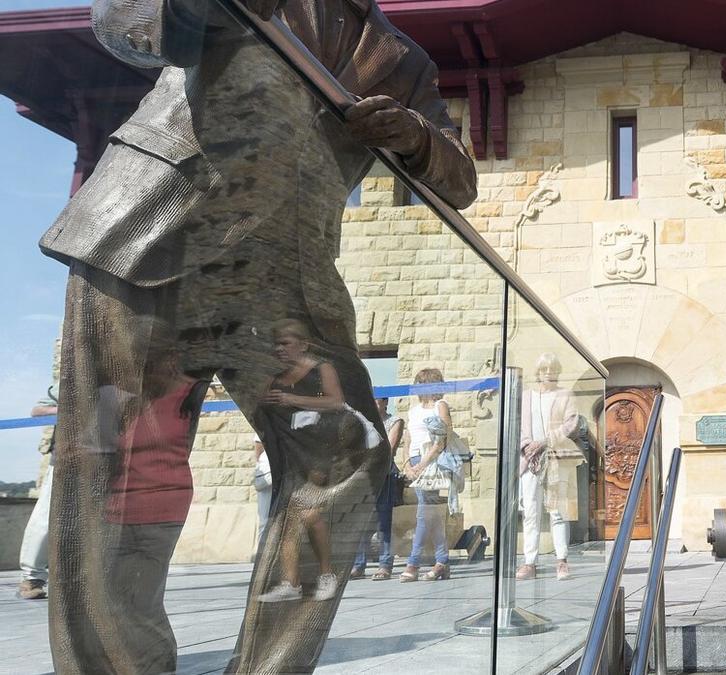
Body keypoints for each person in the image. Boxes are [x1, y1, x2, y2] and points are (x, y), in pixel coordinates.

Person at [37, 0, 476, 670]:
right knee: (114, 463)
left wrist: (413, 134)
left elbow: (461, 177)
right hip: (150, 219)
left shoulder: (403, 59)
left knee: (344, 453)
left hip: (280, 269)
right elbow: (124, 19)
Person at [103, 338, 207, 674]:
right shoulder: (121, 395)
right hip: (129, 506)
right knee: (121, 598)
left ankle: (158, 666)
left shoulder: (183, 391)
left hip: (157, 507)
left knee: (141, 599)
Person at [256, 320, 351, 603]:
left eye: (285, 343)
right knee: (289, 517)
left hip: (318, 451)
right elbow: (261, 403)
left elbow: (335, 402)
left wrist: (291, 398)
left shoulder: (321, 369)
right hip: (289, 453)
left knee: (306, 511)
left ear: (303, 344)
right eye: (277, 343)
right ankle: (290, 582)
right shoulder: (276, 375)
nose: (279, 349)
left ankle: (325, 575)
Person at [517, 353, 584, 581]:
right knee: (530, 512)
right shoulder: (526, 396)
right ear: (538, 372)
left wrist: (545, 441)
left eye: (553, 368)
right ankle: (529, 563)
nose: (548, 373)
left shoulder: (565, 394)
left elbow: (571, 423)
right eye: (544, 369)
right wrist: (527, 445)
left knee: (557, 511)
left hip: (555, 456)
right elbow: (519, 425)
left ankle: (561, 561)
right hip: (530, 459)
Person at [400, 368, 453, 582]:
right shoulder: (413, 410)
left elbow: (442, 438)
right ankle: (442, 561)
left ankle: (413, 562)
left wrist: (422, 464)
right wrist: (407, 465)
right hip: (414, 461)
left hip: (431, 460)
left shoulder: (440, 406)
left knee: (424, 512)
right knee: (430, 514)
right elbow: (407, 439)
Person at [350, 398, 403, 580]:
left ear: (385, 403)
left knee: (383, 521)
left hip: (384, 475)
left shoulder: (394, 421)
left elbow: (389, 448)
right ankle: (358, 564)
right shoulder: (361, 421)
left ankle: (385, 564)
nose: (373, 404)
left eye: (377, 401)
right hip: (363, 477)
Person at [16, 385, 59, 600]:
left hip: (110, 459)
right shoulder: (75, 377)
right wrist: (69, 409)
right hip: (67, 457)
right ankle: (32, 578)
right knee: (46, 515)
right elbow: (38, 410)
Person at [252, 437, 272, 545]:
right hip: (268, 470)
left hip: (285, 469)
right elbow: (258, 445)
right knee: (264, 520)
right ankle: (262, 554)